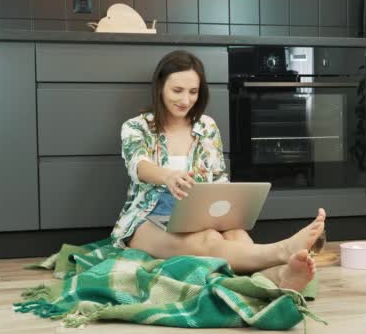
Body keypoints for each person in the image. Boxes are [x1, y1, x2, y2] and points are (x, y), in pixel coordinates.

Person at [110, 50, 326, 292]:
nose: (185, 100)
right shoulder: (136, 127)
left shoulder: (207, 126)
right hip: (148, 218)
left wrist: (228, 213)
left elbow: (219, 179)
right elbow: (138, 165)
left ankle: (280, 276)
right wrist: (168, 176)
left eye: (193, 92)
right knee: (210, 240)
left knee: (237, 235)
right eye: (177, 90)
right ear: (160, 86)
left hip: (197, 213)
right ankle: (281, 252)